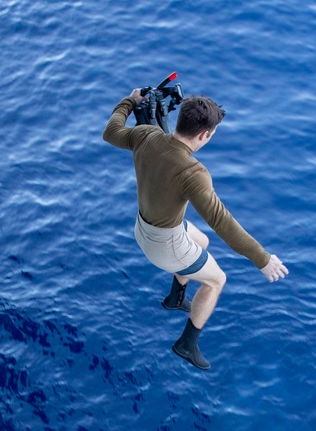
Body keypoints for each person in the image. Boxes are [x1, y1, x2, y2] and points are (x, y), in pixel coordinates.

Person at [103, 88, 288, 370]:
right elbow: (222, 222)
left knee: (200, 240)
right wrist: (262, 259)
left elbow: (111, 131)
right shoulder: (193, 172)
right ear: (205, 135)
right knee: (217, 280)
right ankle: (187, 344)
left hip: (143, 228)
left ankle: (175, 298)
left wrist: (131, 100)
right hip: (165, 245)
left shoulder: (145, 135)